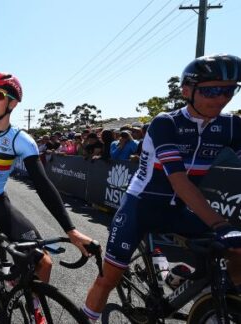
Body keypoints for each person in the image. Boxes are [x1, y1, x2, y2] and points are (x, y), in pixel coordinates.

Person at [82, 54, 241, 322]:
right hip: (140, 207)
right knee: (107, 280)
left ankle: (231, 301)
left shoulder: (230, 126)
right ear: (187, 91)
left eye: (229, 90)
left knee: (238, 249)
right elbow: (178, 180)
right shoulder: (166, 123)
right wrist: (220, 225)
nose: (221, 98)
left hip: (179, 209)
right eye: (211, 90)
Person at [0, 73, 93, 324]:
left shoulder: (21, 141)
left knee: (44, 263)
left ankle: (34, 304)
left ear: (12, 104)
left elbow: (44, 186)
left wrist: (71, 230)